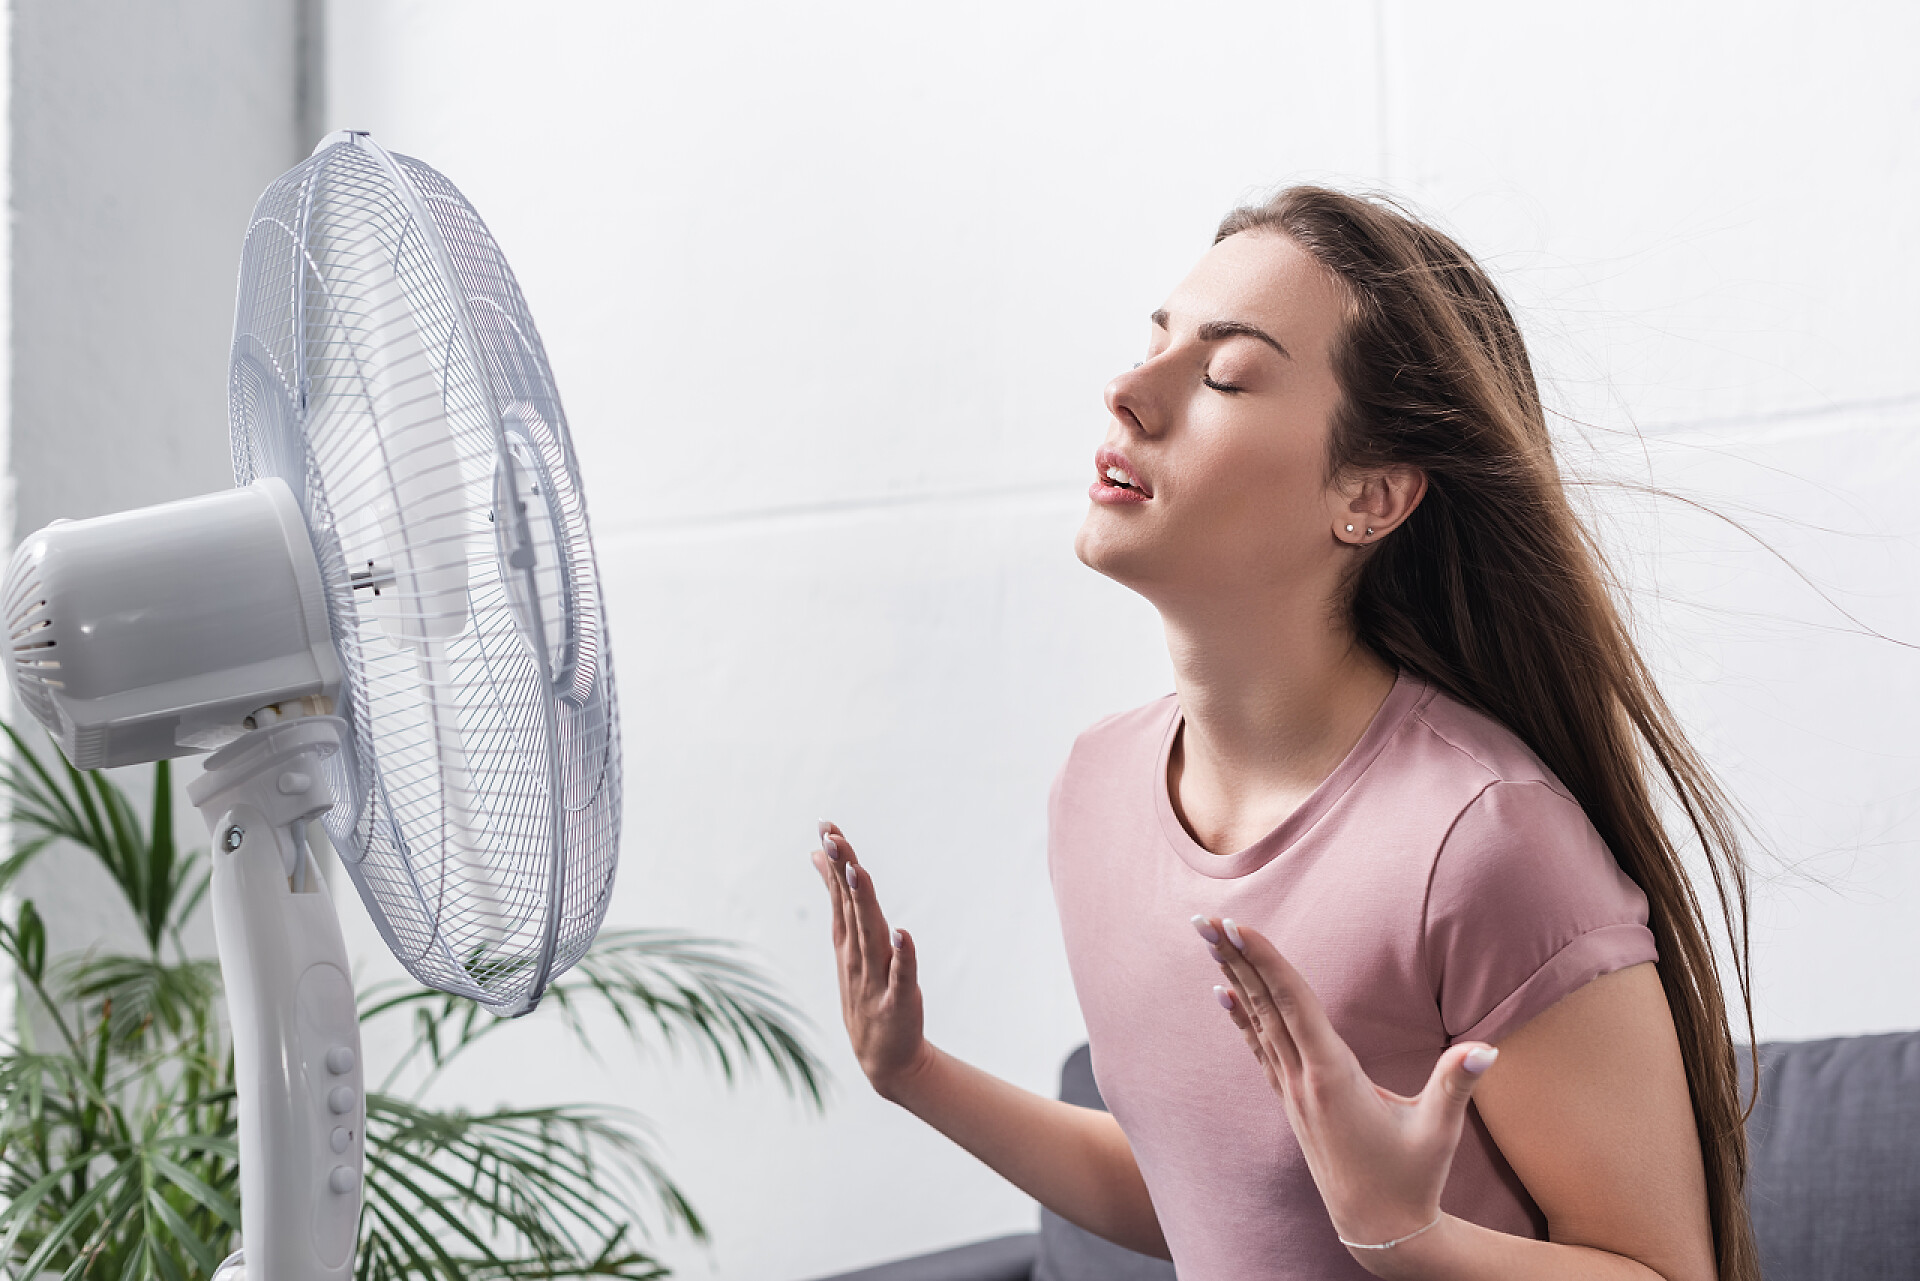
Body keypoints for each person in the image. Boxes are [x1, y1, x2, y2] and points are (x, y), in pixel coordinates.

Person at [808, 186, 1758, 1281]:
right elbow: (1197, 1198)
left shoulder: (1485, 840)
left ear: (1371, 495)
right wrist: (914, 1071)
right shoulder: (1097, 790)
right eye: (1151, 344)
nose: (1126, 391)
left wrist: (1407, 1238)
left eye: (1223, 374)